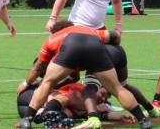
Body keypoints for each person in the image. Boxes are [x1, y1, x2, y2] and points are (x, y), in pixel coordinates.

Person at [16, 21, 151, 129]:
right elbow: (116, 36)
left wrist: (26, 83)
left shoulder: (52, 38)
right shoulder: (88, 30)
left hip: (71, 46)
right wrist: (110, 50)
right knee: (117, 88)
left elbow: (37, 68)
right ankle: (143, 120)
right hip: (95, 45)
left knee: (46, 83)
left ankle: (27, 120)